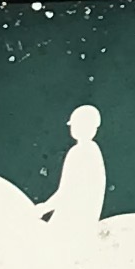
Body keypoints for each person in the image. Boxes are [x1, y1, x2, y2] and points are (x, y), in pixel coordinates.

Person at [38, 104, 107, 246]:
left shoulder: (79, 152)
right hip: (83, 211)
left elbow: (67, 190)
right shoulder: (91, 150)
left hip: (75, 214)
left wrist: (45, 207)